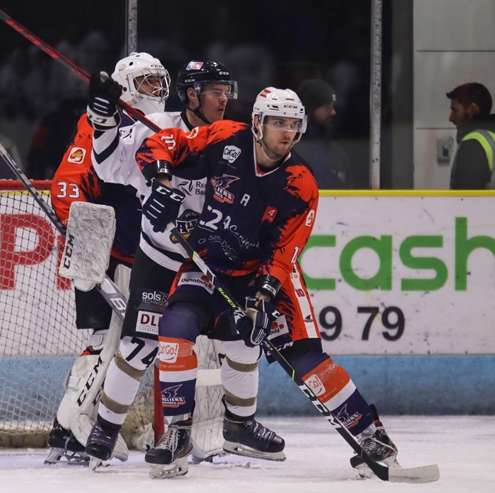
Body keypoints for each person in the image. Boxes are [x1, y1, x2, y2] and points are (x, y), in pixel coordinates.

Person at [134, 87, 400, 478]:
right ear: (258, 122)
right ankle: (177, 434)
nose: (287, 132)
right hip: (210, 264)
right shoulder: (225, 138)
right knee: (174, 329)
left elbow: (285, 252)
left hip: (265, 275)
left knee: (306, 359)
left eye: (293, 124)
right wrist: (160, 181)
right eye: (278, 123)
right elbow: (162, 143)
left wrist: (262, 297)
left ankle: (371, 435)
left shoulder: (300, 183)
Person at [84, 60, 287, 470]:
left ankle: (240, 424)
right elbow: (107, 165)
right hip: (162, 256)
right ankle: (106, 426)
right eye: (214, 90)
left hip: (216, 260)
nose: (224, 97)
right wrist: (102, 120)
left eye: (226, 89)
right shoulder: (153, 124)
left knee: (240, 339)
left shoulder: (235, 138)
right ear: (191, 95)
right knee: (141, 343)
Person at [45, 52, 170, 465]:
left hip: (142, 255)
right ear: (129, 87)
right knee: (111, 343)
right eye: (148, 83)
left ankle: (66, 431)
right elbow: (67, 184)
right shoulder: (102, 123)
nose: (158, 89)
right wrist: (87, 248)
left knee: (114, 344)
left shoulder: (162, 125)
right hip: (108, 255)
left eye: (159, 80)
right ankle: (72, 425)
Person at [294, 78, 352, 189]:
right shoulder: (289, 150)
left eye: (333, 106)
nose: (333, 112)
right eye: (326, 106)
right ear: (310, 109)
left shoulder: (336, 152)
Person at [446, 82, 495, 189]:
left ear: (472, 110)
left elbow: (465, 200)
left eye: (455, 110)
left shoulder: (474, 143)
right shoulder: (491, 136)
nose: (451, 118)